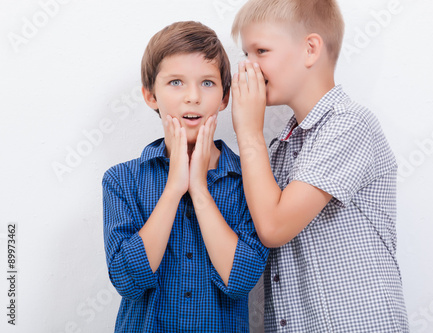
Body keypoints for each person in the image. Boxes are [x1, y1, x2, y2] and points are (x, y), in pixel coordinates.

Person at [230, 0, 409, 331]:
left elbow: (274, 227)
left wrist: (250, 133)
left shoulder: (350, 124)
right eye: (245, 55)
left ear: (310, 49)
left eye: (261, 51)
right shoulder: (279, 151)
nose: (247, 68)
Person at [102, 21, 268, 332]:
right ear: (151, 96)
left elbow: (242, 279)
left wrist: (199, 190)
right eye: (176, 82)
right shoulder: (121, 180)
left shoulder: (250, 180)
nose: (192, 96)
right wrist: (174, 188)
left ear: (224, 97)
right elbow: (127, 281)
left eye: (207, 83)